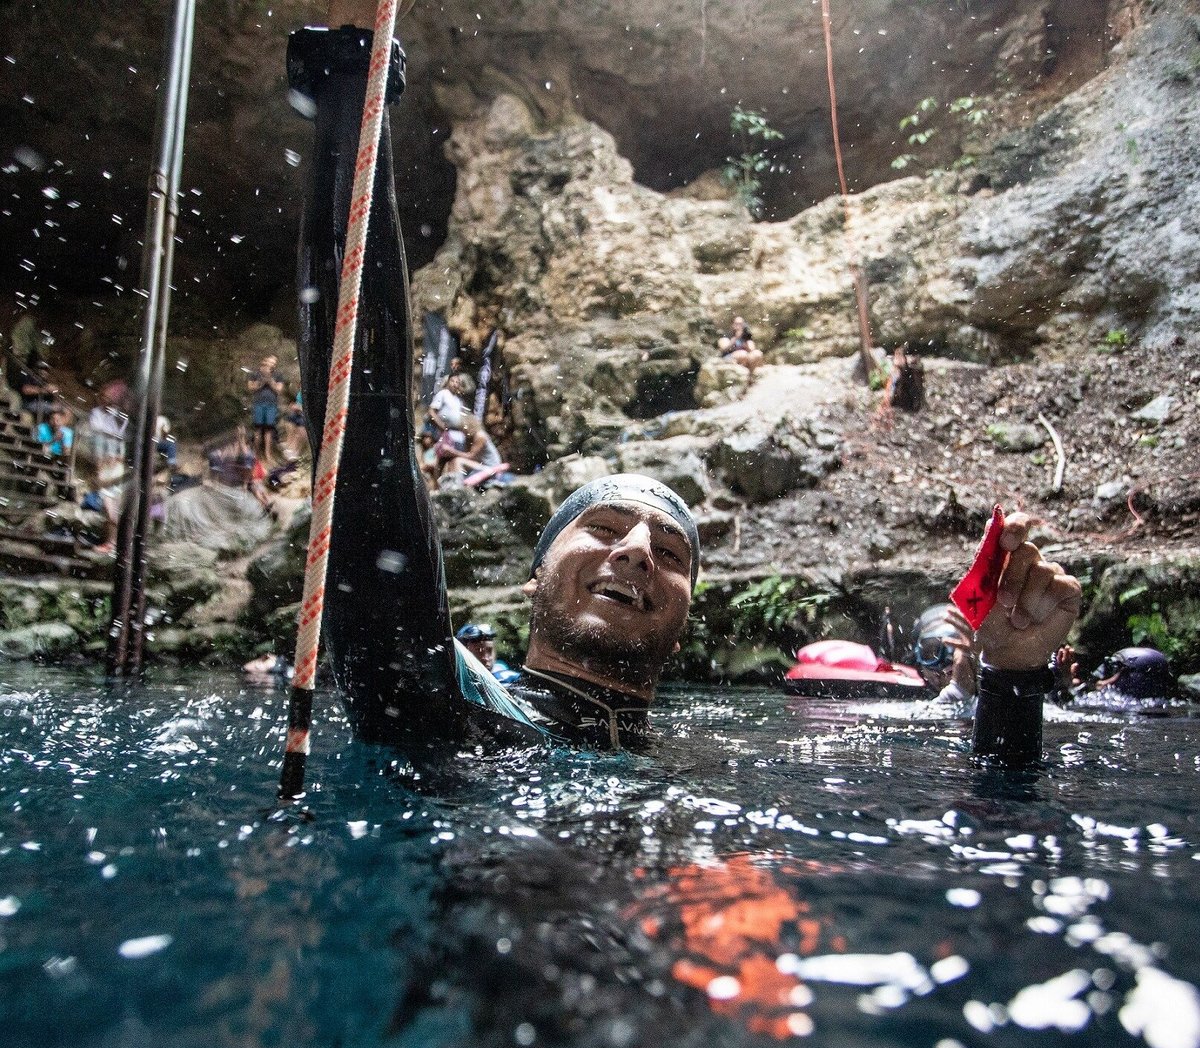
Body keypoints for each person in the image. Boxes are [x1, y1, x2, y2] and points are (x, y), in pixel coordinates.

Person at [288, 5, 1080, 764]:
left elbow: (979, 827)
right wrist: (353, 72)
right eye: (602, 529)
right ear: (536, 574)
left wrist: (1010, 679)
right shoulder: (438, 700)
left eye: (669, 551)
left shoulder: (728, 757)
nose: (635, 552)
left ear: (688, 614)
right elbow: (367, 438)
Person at [7, 310, 60, 418]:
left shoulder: (36, 372)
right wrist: (44, 390)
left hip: (35, 398)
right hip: (22, 395)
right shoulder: (26, 372)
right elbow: (25, 389)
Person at [246, 353, 286, 463]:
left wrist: (270, 380)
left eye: (274, 362)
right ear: (265, 361)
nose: (273, 364)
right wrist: (261, 382)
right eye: (271, 361)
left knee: (269, 429)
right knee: (258, 429)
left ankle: (268, 454)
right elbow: (250, 387)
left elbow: (279, 389)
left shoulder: (278, 375)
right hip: (258, 403)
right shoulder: (255, 373)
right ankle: (255, 453)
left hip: (271, 404)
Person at [456, 623, 520, 686]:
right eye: (478, 651)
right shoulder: (457, 683)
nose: (486, 658)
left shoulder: (510, 679)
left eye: (489, 650)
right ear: (464, 654)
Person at [883, 344, 924, 413]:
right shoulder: (896, 374)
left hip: (908, 407)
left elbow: (914, 392)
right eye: (896, 355)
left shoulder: (911, 372)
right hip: (899, 406)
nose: (895, 359)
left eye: (898, 355)